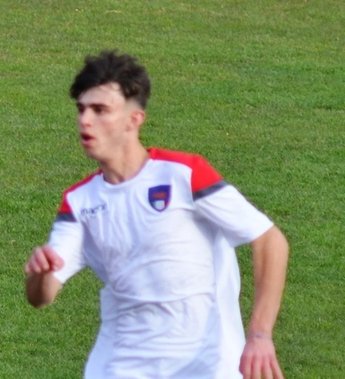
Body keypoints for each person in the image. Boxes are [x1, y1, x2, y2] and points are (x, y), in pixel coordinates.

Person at [24, 51, 289, 379]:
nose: (85, 120)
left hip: (207, 366)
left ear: (134, 120)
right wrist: (39, 273)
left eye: (100, 110)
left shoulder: (185, 176)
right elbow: (43, 295)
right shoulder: (80, 202)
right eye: (81, 109)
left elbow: (268, 239)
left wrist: (260, 335)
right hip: (122, 367)